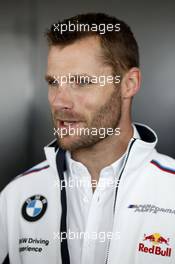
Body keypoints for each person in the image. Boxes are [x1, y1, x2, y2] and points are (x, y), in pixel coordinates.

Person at [0, 13, 175, 264]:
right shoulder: (16, 197)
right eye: (53, 82)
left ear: (129, 83)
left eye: (80, 82)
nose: (59, 101)